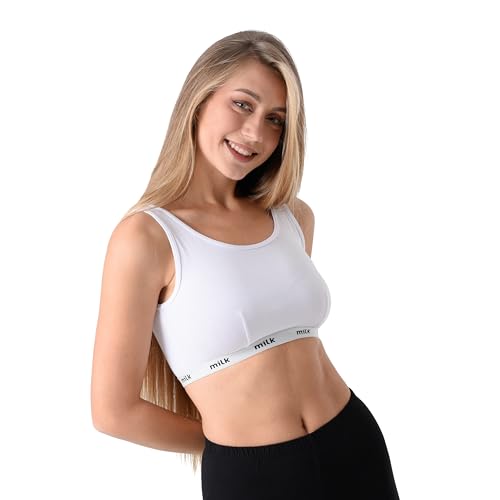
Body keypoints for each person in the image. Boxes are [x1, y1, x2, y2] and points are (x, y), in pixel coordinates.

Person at [90, 30, 400, 499]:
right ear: (199, 100)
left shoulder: (293, 218)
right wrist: (232, 448)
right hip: (252, 476)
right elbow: (113, 412)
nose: (256, 133)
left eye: (275, 119)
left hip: (353, 446)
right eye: (242, 104)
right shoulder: (146, 238)